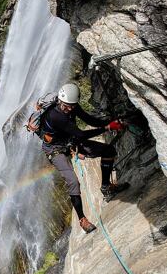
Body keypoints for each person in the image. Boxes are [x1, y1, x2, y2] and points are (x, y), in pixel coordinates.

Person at [41, 83, 128, 233]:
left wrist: (109, 123)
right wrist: (107, 128)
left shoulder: (73, 106)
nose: (68, 109)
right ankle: (82, 219)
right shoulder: (55, 115)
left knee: (108, 150)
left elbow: (90, 120)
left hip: (71, 141)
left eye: (71, 106)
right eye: (65, 106)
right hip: (55, 150)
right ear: (59, 101)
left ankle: (106, 188)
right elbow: (80, 134)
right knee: (73, 181)